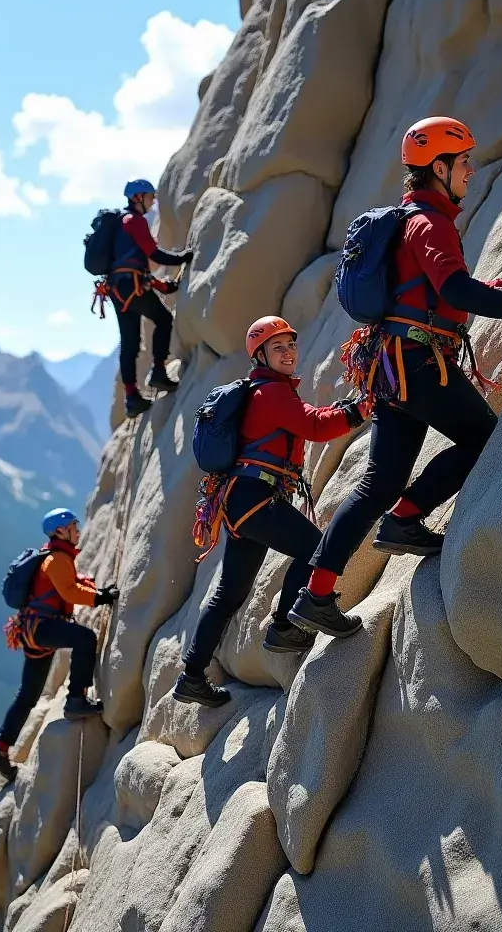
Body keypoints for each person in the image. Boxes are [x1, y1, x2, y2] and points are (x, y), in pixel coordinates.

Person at [288, 116, 502, 640]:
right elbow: (456, 290)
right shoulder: (429, 223)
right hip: (418, 363)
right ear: (438, 168)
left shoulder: (408, 220)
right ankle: (405, 516)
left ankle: (317, 594)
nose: (469, 170)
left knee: (375, 483)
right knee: (483, 437)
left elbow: (437, 290)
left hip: (392, 367)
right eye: (462, 161)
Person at [172, 316, 368, 707]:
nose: (288, 352)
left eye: (290, 345)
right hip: (254, 497)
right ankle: (284, 627)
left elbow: (303, 418)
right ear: (260, 356)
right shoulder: (271, 393)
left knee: (230, 593)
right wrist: (360, 409)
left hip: (241, 501)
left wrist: (341, 409)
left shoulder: (267, 392)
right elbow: (313, 425)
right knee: (316, 548)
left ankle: (191, 677)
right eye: (277, 347)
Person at [0, 508, 118, 782]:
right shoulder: (57, 558)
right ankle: (76, 699)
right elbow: (68, 591)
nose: (77, 531)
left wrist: (92, 590)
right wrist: (101, 598)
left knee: (28, 694)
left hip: (35, 630)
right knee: (85, 639)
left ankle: (0, 748)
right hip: (42, 628)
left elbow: (68, 585)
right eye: (73, 527)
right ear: (60, 531)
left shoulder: (55, 557)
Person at [110, 178, 195, 419]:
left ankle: (131, 398)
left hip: (118, 289)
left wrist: (159, 285)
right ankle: (158, 372)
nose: (153, 200)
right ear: (138, 198)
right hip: (131, 286)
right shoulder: (134, 221)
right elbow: (153, 253)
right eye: (150, 196)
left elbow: (130, 264)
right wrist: (184, 257)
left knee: (130, 341)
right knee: (164, 319)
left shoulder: (120, 226)